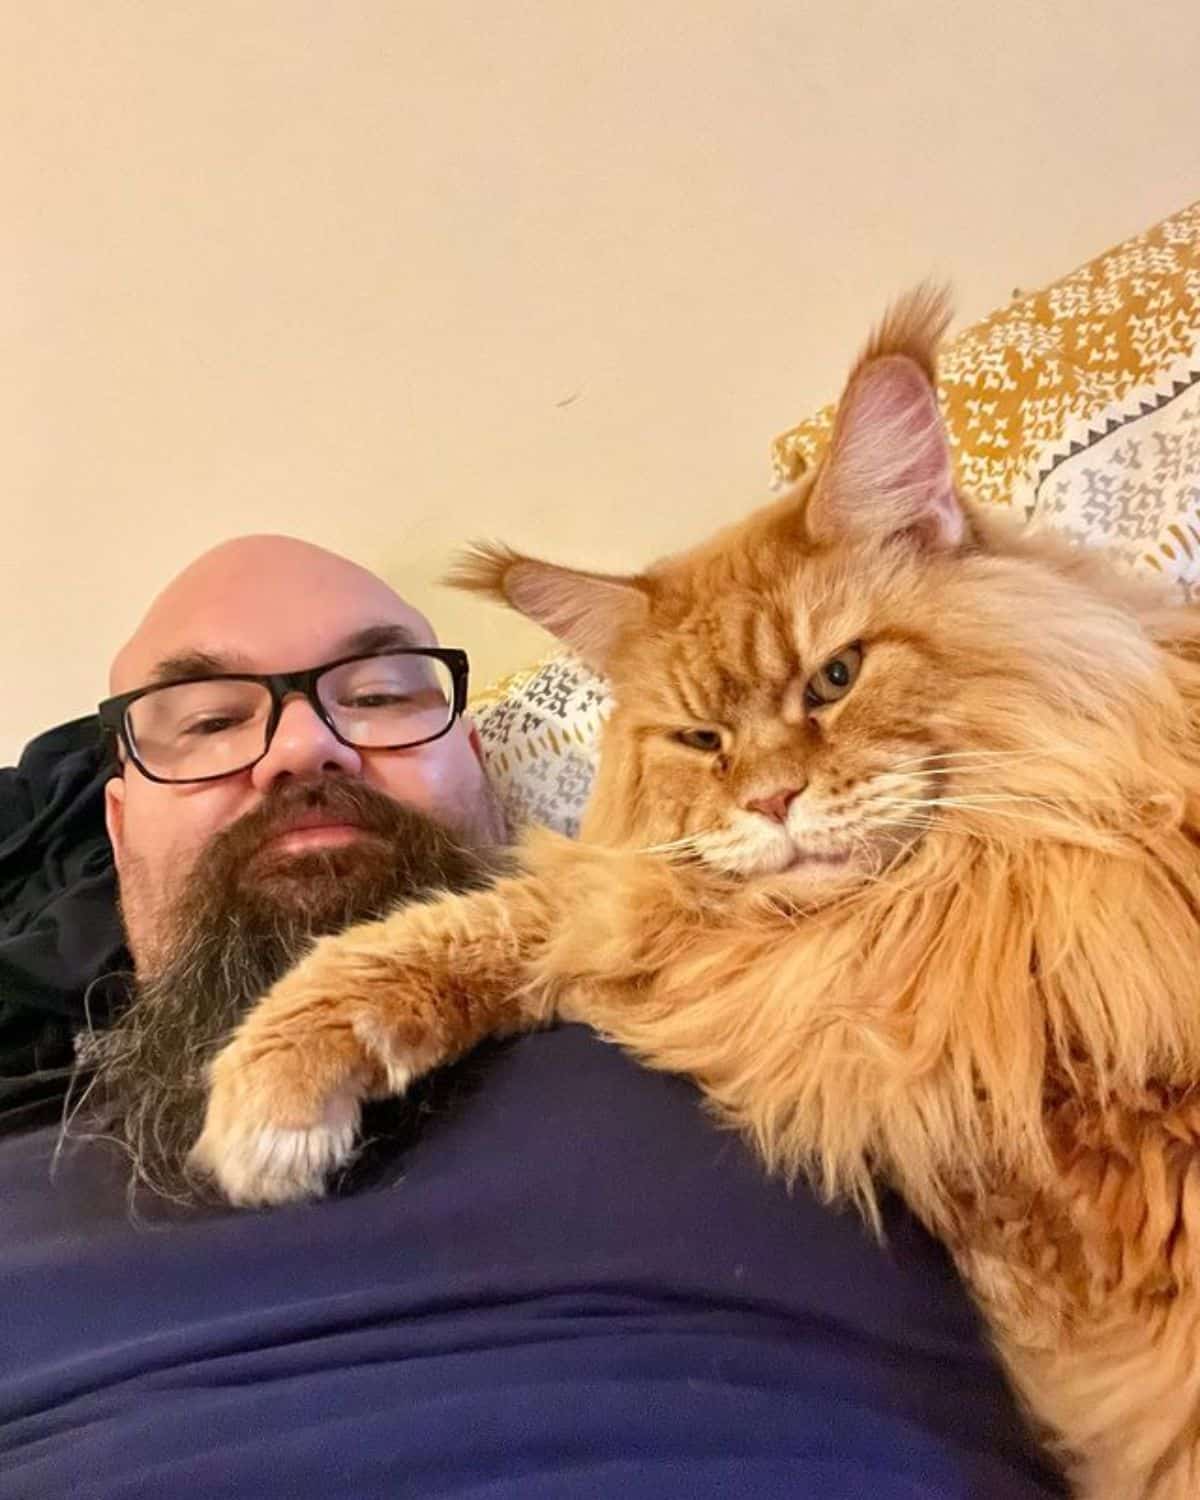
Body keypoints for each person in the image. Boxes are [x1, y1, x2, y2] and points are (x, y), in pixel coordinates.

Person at [0, 535, 1064, 1499]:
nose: (300, 747)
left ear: (485, 770)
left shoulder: (784, 978)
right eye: (210, 720)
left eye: (377, 695)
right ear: (118, 817)